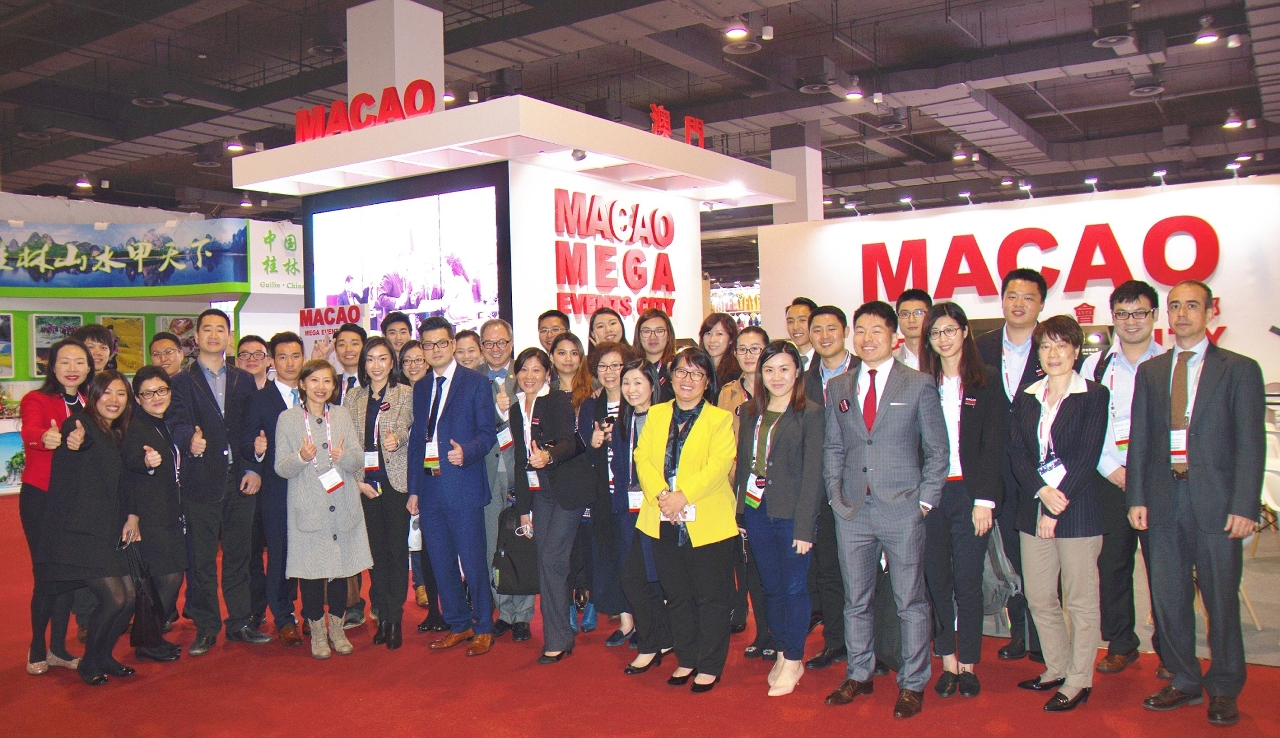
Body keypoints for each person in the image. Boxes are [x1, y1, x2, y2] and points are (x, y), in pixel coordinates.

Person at [1129, 280, 1263, 727]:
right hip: (1164, 499)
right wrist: (1136, 497)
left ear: (1209, 312)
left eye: (1191, 306)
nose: (1182, 313)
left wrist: (1245, 505)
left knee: (1220, 599)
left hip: (1218, 502)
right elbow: (1142, 443)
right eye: (1174, 306)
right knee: (1168, 597)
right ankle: (1184, 680)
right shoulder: (1151, 371)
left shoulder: (1239, 369)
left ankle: (1224, 687)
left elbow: (1251, 443)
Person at [822, 301, 948, 719]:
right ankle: (859, 673)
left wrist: (924, 502)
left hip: (902, 509)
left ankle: (913, 683)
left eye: (876, 330)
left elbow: (937, 451)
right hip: (853, 511)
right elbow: (834, 448)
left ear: (893, 337)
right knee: (855, 599)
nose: (867, 338)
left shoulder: (918, 384)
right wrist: (836, 499)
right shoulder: (839, 387)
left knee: (908, 600)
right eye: (860, 330)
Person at [1008, 315, 1109, 712]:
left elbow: (1087, 456)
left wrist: (1057, 500)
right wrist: (1041, 492)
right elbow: (1017, 453)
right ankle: (1056, 666)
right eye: (1046, 346)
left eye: (1062, 345)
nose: (1054, 353)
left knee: (1081, 601)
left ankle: (1080, 679)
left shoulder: (1093, 395)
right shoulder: (1027, 395)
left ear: (1075, 349)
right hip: (1034, 506)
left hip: (1078, 509)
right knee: (1039, 596)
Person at [166, 308, 271, 656]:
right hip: (200, 481)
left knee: (240, 555)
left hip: (240, 481)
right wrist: (188, 441)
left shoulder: (244, 379)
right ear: (195, 338)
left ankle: (240, 622)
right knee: (202, 559)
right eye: (206, 329)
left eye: (220, 329)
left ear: (229, 336)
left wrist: (254, 468)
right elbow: (177, 423)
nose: (213, 335)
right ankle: (207, 627)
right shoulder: (181, 382)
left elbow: (254, 428)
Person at [634, 348, 738, 693]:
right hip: (662, 517)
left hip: (707, 520)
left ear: (708, 381)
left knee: (711, 596)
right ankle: (687, 658)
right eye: (681, 372)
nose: (687, 380)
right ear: (670, 377)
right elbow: (642, 457)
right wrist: (664, 496)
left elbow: (719, 465)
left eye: (696, 374)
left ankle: (709, 664)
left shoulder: (719, 419)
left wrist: (683, 495)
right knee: (676, 595)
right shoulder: (657, 413)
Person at [918, 303, 1006, 698]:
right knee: (937, 581)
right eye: (936, 333)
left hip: (971, 495)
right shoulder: (921, 383)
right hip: (931, 496)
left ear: (965, 332)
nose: (943, 339)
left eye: (950, 330)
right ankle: (948, 661)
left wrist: (984, 500)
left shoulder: (985, 380)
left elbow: (993, 446)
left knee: (968, 582)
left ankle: (969, 662)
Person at [1079, 281, 1166, 678]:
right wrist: (1110, 467)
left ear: (1154, 316)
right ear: (1113, 317)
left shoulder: (1169, 364)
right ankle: (1120, 643)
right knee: (1113, 564)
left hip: (1158, 482)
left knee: (1164, 566)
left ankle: (1170, 646)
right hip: (1108, 477)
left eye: (1140, 313)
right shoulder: (1095, 366)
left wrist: (1143, 474)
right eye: (1123, 314)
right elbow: (1084, 423)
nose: (1132, 321)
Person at [35, 371, 139, 686]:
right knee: (114, 599)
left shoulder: (116, 433)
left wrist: (132, 516)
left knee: (130, 598)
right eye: (106, 393)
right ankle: (90, 661)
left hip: (109, 528)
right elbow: (73, 449)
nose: (114, 400)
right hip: (81, 532)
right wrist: (73, 443)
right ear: (92, 395)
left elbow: (122, 483)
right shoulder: (80, 425)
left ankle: (105, 655)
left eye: (121, 394)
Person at [734, 340, 824, 696]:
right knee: (769, 588)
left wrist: (805, 527)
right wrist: (741, 511)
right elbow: (745, 465)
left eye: (784, 369)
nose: (776, 376)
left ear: (797, 372)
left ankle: (793, 656)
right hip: (757, 511)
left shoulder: (811, 413)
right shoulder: (750, 411)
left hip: (792, 515)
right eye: (769, 369)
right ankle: (785, 651)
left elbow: (813, 474)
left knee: (793, 587)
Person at [406, 316, 498, 657]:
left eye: (441, 343)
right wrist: (413, 489)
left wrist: (467, 452)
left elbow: (487, 434)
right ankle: (458, 625)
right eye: (428, 345)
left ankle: (484, 627)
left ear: (453, 344)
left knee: (473, 562)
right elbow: (418, 442)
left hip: (463, 486)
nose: (435, 350)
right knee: (442, 564)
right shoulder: (420, 387)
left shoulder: (475, 383)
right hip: (429, 490)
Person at [274, 359, 372, 659]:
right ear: (302, 384)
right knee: (313, 573)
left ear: (335, 386)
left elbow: (358, 461)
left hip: (342, 502)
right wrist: (301, 457)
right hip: (308, 505)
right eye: (314, 380)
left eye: (327, 381)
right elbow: (281, 469)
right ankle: (317, 633)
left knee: (342, 571)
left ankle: (338, 629)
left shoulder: (341, 415)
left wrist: (344, 458)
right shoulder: (288, 419)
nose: (321, 387)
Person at [975, 267, 1047, 662]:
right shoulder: (981, 347)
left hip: (1038, 471)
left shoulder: (1051, 346)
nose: (1019, 304)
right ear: (1002, 300)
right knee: (1006, 555)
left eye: (1028, 298)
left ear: (1041, 305)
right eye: (1012, 296)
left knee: (1038, 553)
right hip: (994, 469)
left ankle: (1042, 636)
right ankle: (1018, 632)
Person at [509, 348, 594, 663]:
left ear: (547, 374)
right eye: (524, 370)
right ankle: (560, 635)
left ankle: (557, 639)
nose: (529, 376)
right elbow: (520, 460)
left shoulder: (557, 400)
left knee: (552, 562)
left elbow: (570, 442)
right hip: (539, 493)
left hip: (568, 490)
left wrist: (548, 455)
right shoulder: (517, 407)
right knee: (547, 563)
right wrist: (522, 507)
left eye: (536, 370)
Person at [19, 338, 91, 676]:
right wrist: (43, 439)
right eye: (65, 361)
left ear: (90, 367)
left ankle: (59, 648)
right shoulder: (36, 399)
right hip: (43, 498)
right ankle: (37, 645)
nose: (73, 368)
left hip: (79, 501)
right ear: (53, 366)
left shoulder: (92, 402)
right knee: (46, 573)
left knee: (70, 575)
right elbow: (31, 430)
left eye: (80, 362)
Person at [343, 337, 414, 649]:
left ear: (392, 362)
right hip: (365, 485)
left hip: (396, 483)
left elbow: (412, 428)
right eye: (370, 359)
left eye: (382, 359)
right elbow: (346, 442)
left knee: (397, 553)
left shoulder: (406, 393)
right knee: (375, 556)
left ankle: (395, 617)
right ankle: (381, 614)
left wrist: (397, 438)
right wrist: (356, 480)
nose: (376, 365)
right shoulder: (353, 397)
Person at [242, 332, 305, 647]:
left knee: (310, 553)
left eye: (295, 356)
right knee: (279, 555)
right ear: (271, 362)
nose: (289, 363)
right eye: (282, 357)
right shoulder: (260, 399)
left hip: (314, 490)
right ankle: (283, 618)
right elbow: (247, 444)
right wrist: (258, 451)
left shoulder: (314, 393)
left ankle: (313, 615)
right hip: (276, 491)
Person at [801, 305, 855, 671]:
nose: (823, 336)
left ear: (845, 331)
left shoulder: (866, 371)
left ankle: (874, 645)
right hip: (817, 488)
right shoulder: (803, 379)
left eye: (831, 328)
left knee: (865, 571)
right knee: (828, 569)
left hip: (860, 487)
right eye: (816, 329)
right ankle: (837, 641)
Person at [121, 366, 186, 663]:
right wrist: (146, 462)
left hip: (169, 509)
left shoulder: (165, 422)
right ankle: (148, 638)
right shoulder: (137, 427)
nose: (156, 397)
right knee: (167, 575)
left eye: (161, 390)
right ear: (137, 398)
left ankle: (150, 635)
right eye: (148, 393)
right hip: (150, 513)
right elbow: (130, 466)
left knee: (166, 575)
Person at [614, 359, 674, 673]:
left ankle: (654, 642)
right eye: (627, 383)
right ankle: (659, 638)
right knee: (637, 578)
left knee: (647, 579)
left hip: (659, 510)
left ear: (653, 385)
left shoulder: (664, 418)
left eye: (639, 382)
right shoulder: (625, 419)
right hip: (630, 510)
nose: (632, 389)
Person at [717, 326, 772, 659]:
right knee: (747, 564)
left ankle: (778, 632)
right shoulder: (728, 392)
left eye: (756, 348)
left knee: (771, 565)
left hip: (774, 487)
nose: (749, 355)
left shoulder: (780, 386)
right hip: (738, 485)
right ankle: (762, 632)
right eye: (743, 349)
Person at [480, 319, 535, 642]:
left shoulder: (527, 375)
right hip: (487, 473)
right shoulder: (473, 380)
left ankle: (523, 615)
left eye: (501, 342)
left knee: (523, 542)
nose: (496, 349)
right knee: (493, 546)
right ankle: (503, 609)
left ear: (511, 343)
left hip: (520, 472)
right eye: (489, 343)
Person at [580, 342, 632, 645]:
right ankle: (625, 621)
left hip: (634, 495)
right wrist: (594, 443)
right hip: (603, 494)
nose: (610, 372)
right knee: (611, 557)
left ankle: (646, 620)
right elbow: (582, 449)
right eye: (603, 366)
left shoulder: (638, 400)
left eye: (617, 366)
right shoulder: (591, 406)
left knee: (635, 557)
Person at [548, 331, 598, 631]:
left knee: (588, 546)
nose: (568, 358)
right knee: (562, 549)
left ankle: (591, 603)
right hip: (556, 480)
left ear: (581, 358)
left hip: (587, 478)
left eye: (573, 352)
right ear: (552, 357)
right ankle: (566, 604)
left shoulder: (592, 393)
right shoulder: (544, 393)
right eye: (561, 352)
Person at [400, 339, 446, 629]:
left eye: (419, 359)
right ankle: (432, 606)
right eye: (408, 361)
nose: (414, 365)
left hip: (437, 476)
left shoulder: (436, 388)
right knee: (421, 546)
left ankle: (447, 605)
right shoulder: (402, 394)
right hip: (407, 479)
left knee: (436, 546)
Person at [238, 333, 273, 631]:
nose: (251, 359)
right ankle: (255, 608)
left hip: (277, 485)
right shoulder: (232, 394)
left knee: (279, 551)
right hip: (242, 486)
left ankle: (284, 608)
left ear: (268, 360)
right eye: (244, 354)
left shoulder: (282, 394)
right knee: (249, 553)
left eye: (257, 354)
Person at [633, 308, 676, 405]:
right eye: (646, 331)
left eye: (659, 331)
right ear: (638, 336)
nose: (653, 337)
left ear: (669, 335)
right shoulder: (632, 368)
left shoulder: (676, 366)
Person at [700, 313, 741, 393]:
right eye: (708, 333)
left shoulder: (736, 373)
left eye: (719, 334)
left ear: (731, 339)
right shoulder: (699, 367)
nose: (712, 340)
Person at [894, 289, 932, 371]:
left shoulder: (941, 356)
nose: (911, 320)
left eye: (918, 313)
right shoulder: (890, 360)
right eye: (905, 314)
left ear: (930, 316)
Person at [786, 298, 817, 370]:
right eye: (790, 321)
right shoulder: (785, 359)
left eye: (802, 320)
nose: (795, 327)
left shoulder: (826, 360)